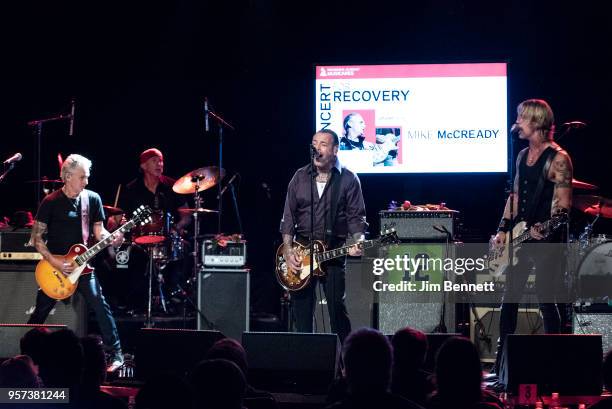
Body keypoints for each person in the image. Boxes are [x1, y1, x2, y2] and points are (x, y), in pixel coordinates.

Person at [491, 99, 573, 374]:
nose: (516, 123)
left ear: (536, 122)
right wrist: (503, 228)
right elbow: (514, 196)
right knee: (510, 298)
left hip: (547, 242)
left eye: (521, 118)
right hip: (520, 238)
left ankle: (556, 363)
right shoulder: (521, 155)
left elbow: (563, 209)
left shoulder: (559, 159)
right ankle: (503, 364)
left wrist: (544, 228)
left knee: (546, 299)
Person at [28, 154, 125, 372]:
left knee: (100, 305)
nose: (86, 182)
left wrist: (112, 237)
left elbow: (99, 231)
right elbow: (36, 238)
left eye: (87, 177)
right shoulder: (50, 201)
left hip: (83, 265)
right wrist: (54, 261)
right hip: (55, 268)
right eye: (82, 177)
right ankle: (27, 357)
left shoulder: (92, 198)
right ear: (68, 177)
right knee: (39, 313)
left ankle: (116, 354)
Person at [280, 129, 367, 342]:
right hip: (301, 253)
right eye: (314, 143)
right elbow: (288, 219)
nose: (317, 148)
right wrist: (289, 251)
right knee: (302, 316)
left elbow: (356, 217)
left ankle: (346, 362)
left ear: (335, 150)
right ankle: (304, 364)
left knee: (337, 311)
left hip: (333, 254)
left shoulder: (348, 179)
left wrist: (359, 241)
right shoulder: (299, 177)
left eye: (323, 144)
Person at [110, 148, 190, 312]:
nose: (160, 164)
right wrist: (113, 222)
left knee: (187, 248)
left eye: (161, 160)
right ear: (143, 165)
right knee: (122, 257)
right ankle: (131, 300)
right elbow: (117, 218)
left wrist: (176, 228)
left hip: (167, 237)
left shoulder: (173, 186)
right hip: (139, 241)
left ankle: (174, 293)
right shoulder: (131, 188)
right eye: (155, 160)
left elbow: (187, 216)